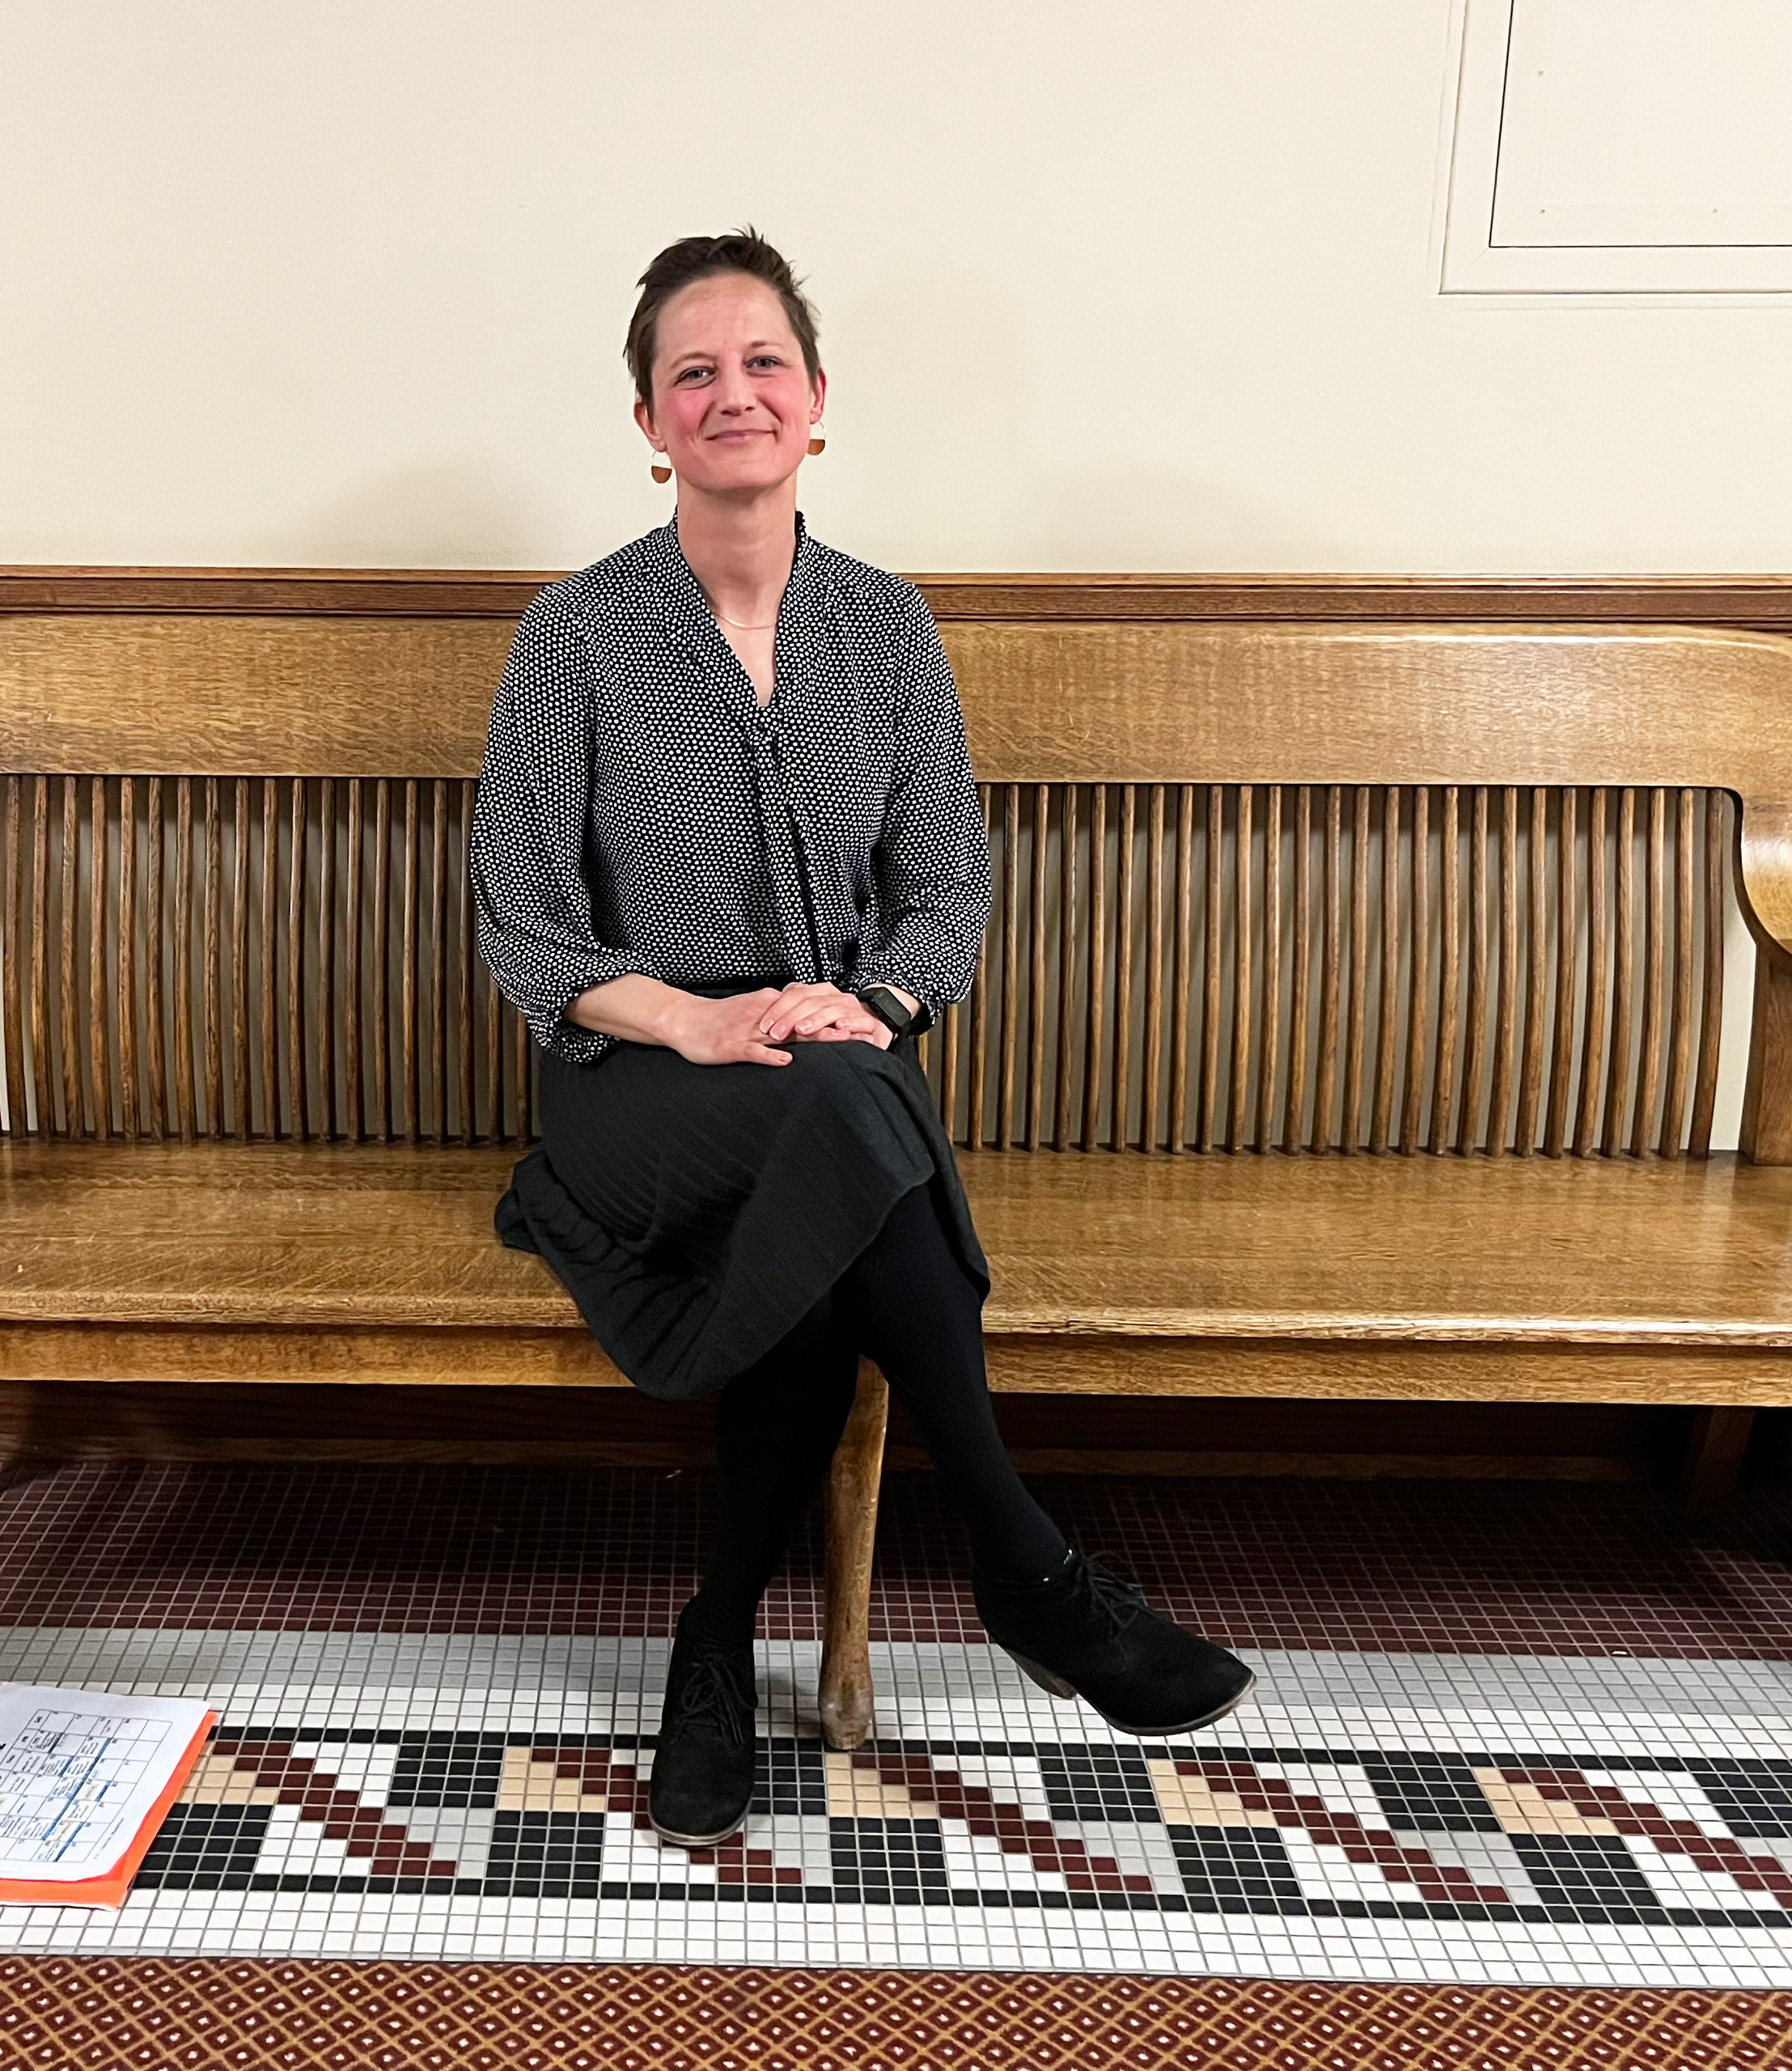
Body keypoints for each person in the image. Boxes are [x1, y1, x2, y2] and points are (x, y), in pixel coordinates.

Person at [468, 229, 1254, 1850]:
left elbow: (947, 879)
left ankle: (713, 1637)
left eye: (763, 363)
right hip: (635, 1081)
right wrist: (694, 1016)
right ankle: (1026, 1561)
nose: (731, 392)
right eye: (693, 370)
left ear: (816, 404)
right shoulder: (578, 632)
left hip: (838, 1065)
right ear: (649, 421)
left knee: (835, 1151)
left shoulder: (884, 626)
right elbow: (524, 920)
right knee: (849, 1129)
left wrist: (879, 1000)